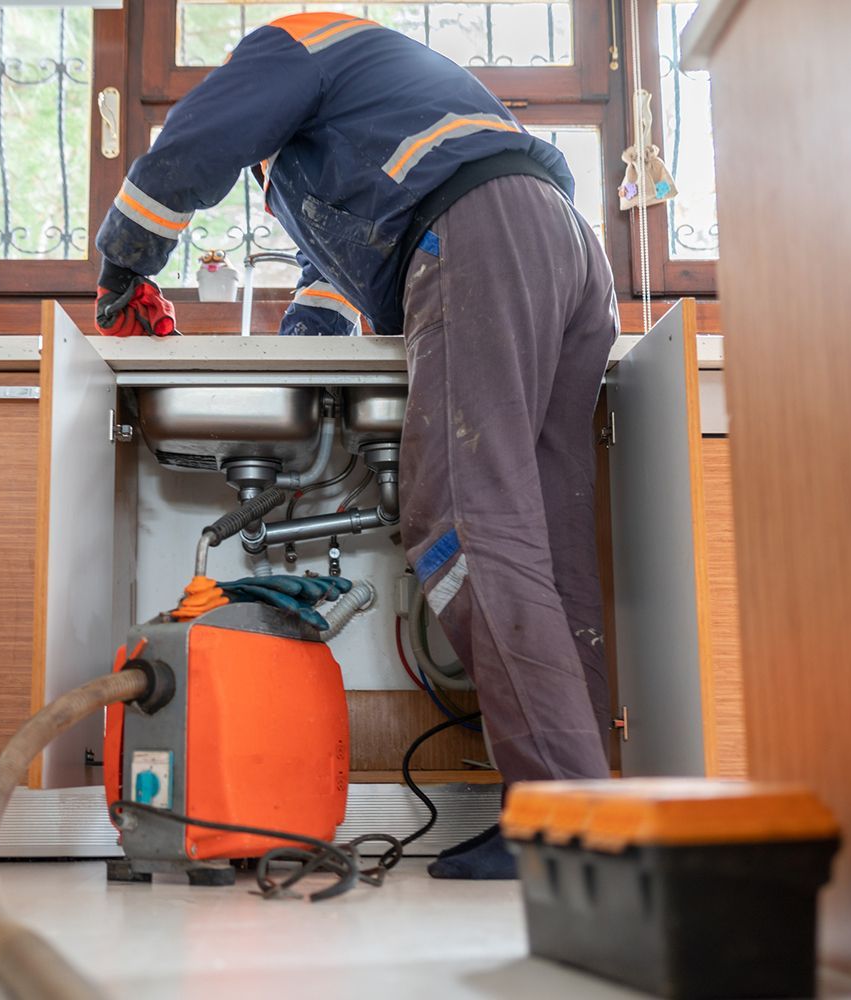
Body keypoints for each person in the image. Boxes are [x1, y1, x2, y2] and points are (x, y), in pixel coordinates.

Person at [93, 11, 619, 880]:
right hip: (561, 247)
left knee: (468, 525)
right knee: (549, 550)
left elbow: (196, 139)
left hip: (480, 235)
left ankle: (558, 826)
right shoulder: (359, 130)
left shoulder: (288, 43)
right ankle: (594, 815)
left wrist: (126, 260)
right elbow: (326, 299)